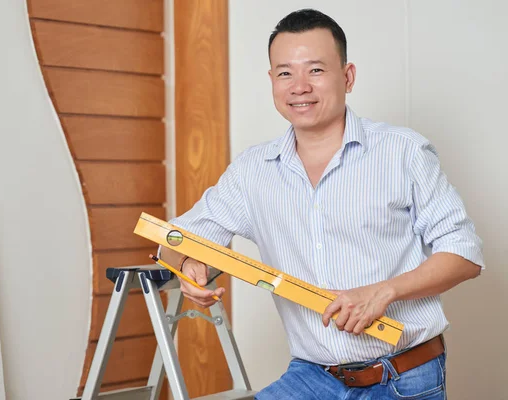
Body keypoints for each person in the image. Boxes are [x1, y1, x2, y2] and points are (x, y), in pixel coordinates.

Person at [160, 8, 484, 400]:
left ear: (347, 77)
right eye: (285, 73)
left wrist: (384, 292)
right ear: (272, 81)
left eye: (315, 70)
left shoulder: (403, 152)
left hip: (404, 377)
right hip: (312, 377)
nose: (299, 86)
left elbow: (464, 255)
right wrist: (186, 265)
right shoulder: (252, 171)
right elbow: (174, 239)